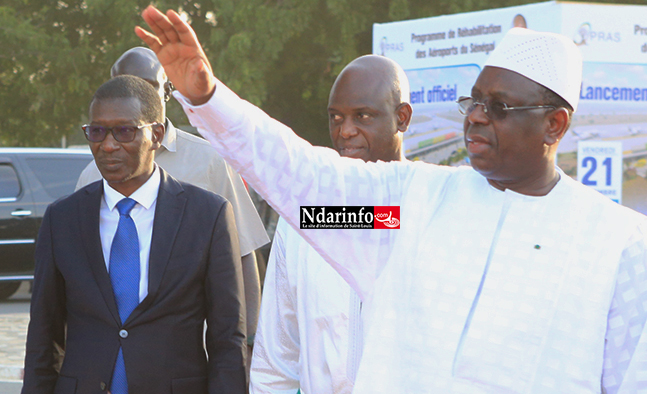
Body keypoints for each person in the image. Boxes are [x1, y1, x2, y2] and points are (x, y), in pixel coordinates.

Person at [136, 7, 647, 393]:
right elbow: (301, 178)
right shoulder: (413, 200)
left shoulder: (614, 240)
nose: (475, 116)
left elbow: (645, 382)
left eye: (500, 106)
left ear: (554, 124)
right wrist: (207, 96)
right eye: (474, 100)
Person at [23, 75, 247, 394]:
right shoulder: (62, 218)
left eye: (124, 131)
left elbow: (228, 339)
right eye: (97, 131)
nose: (108, 144)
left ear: (156, 135)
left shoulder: (207, 215)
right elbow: (43, 338)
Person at [75, 47, 269, 353]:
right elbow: (77, 278)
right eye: (126, 85)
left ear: (167, 91)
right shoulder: (91, 175)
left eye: (147, 86)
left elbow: (243, 255)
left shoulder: (210, 161)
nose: (135, 96)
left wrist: (250, 345)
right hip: (111, 355)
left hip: (192, 354)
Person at [250, 55, 412, 394]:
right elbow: (276, 357)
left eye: (362, 116)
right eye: (336, 117)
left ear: (402, 118)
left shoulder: (429, 210)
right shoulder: (304, 219)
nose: (345, 131)